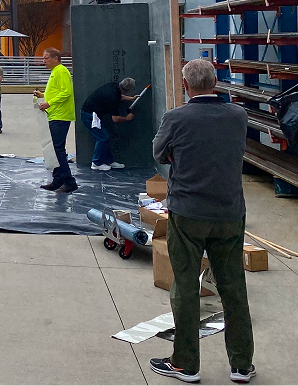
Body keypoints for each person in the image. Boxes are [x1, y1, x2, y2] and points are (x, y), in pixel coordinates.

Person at [150, 59, 255, 384]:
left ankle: (185, 363)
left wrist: (175, 155)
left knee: (185, 285)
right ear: (215, 83)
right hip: (228, 212)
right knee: (233, 286)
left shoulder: (177, 117)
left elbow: (158, 151)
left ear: (186, 86)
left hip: (188, 211)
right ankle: (241, 364)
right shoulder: (238, 116)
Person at [33, 48, 77, 194]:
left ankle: (69, 182)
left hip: (60, 116)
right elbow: (57, 92)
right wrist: (43, 95)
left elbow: (66, 92)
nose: (44, 61)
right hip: (55, 115)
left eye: (46, 58)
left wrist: (49, 103)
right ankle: (58, 179)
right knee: (55, 149)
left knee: (58, 150)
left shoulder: (61, 71)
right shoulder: (55, 72)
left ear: (56, 58)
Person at [81, 78, 137, 171]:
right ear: (128, 90)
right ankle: (96, 163)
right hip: (90, 116)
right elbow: (116, 119)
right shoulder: (113, 99)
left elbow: (119, 96)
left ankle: (108, 161)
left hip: (92, 113)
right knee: (103, 138)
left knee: (103, 138)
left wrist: (131, 99)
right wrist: (127, 118)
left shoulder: (114, 86)